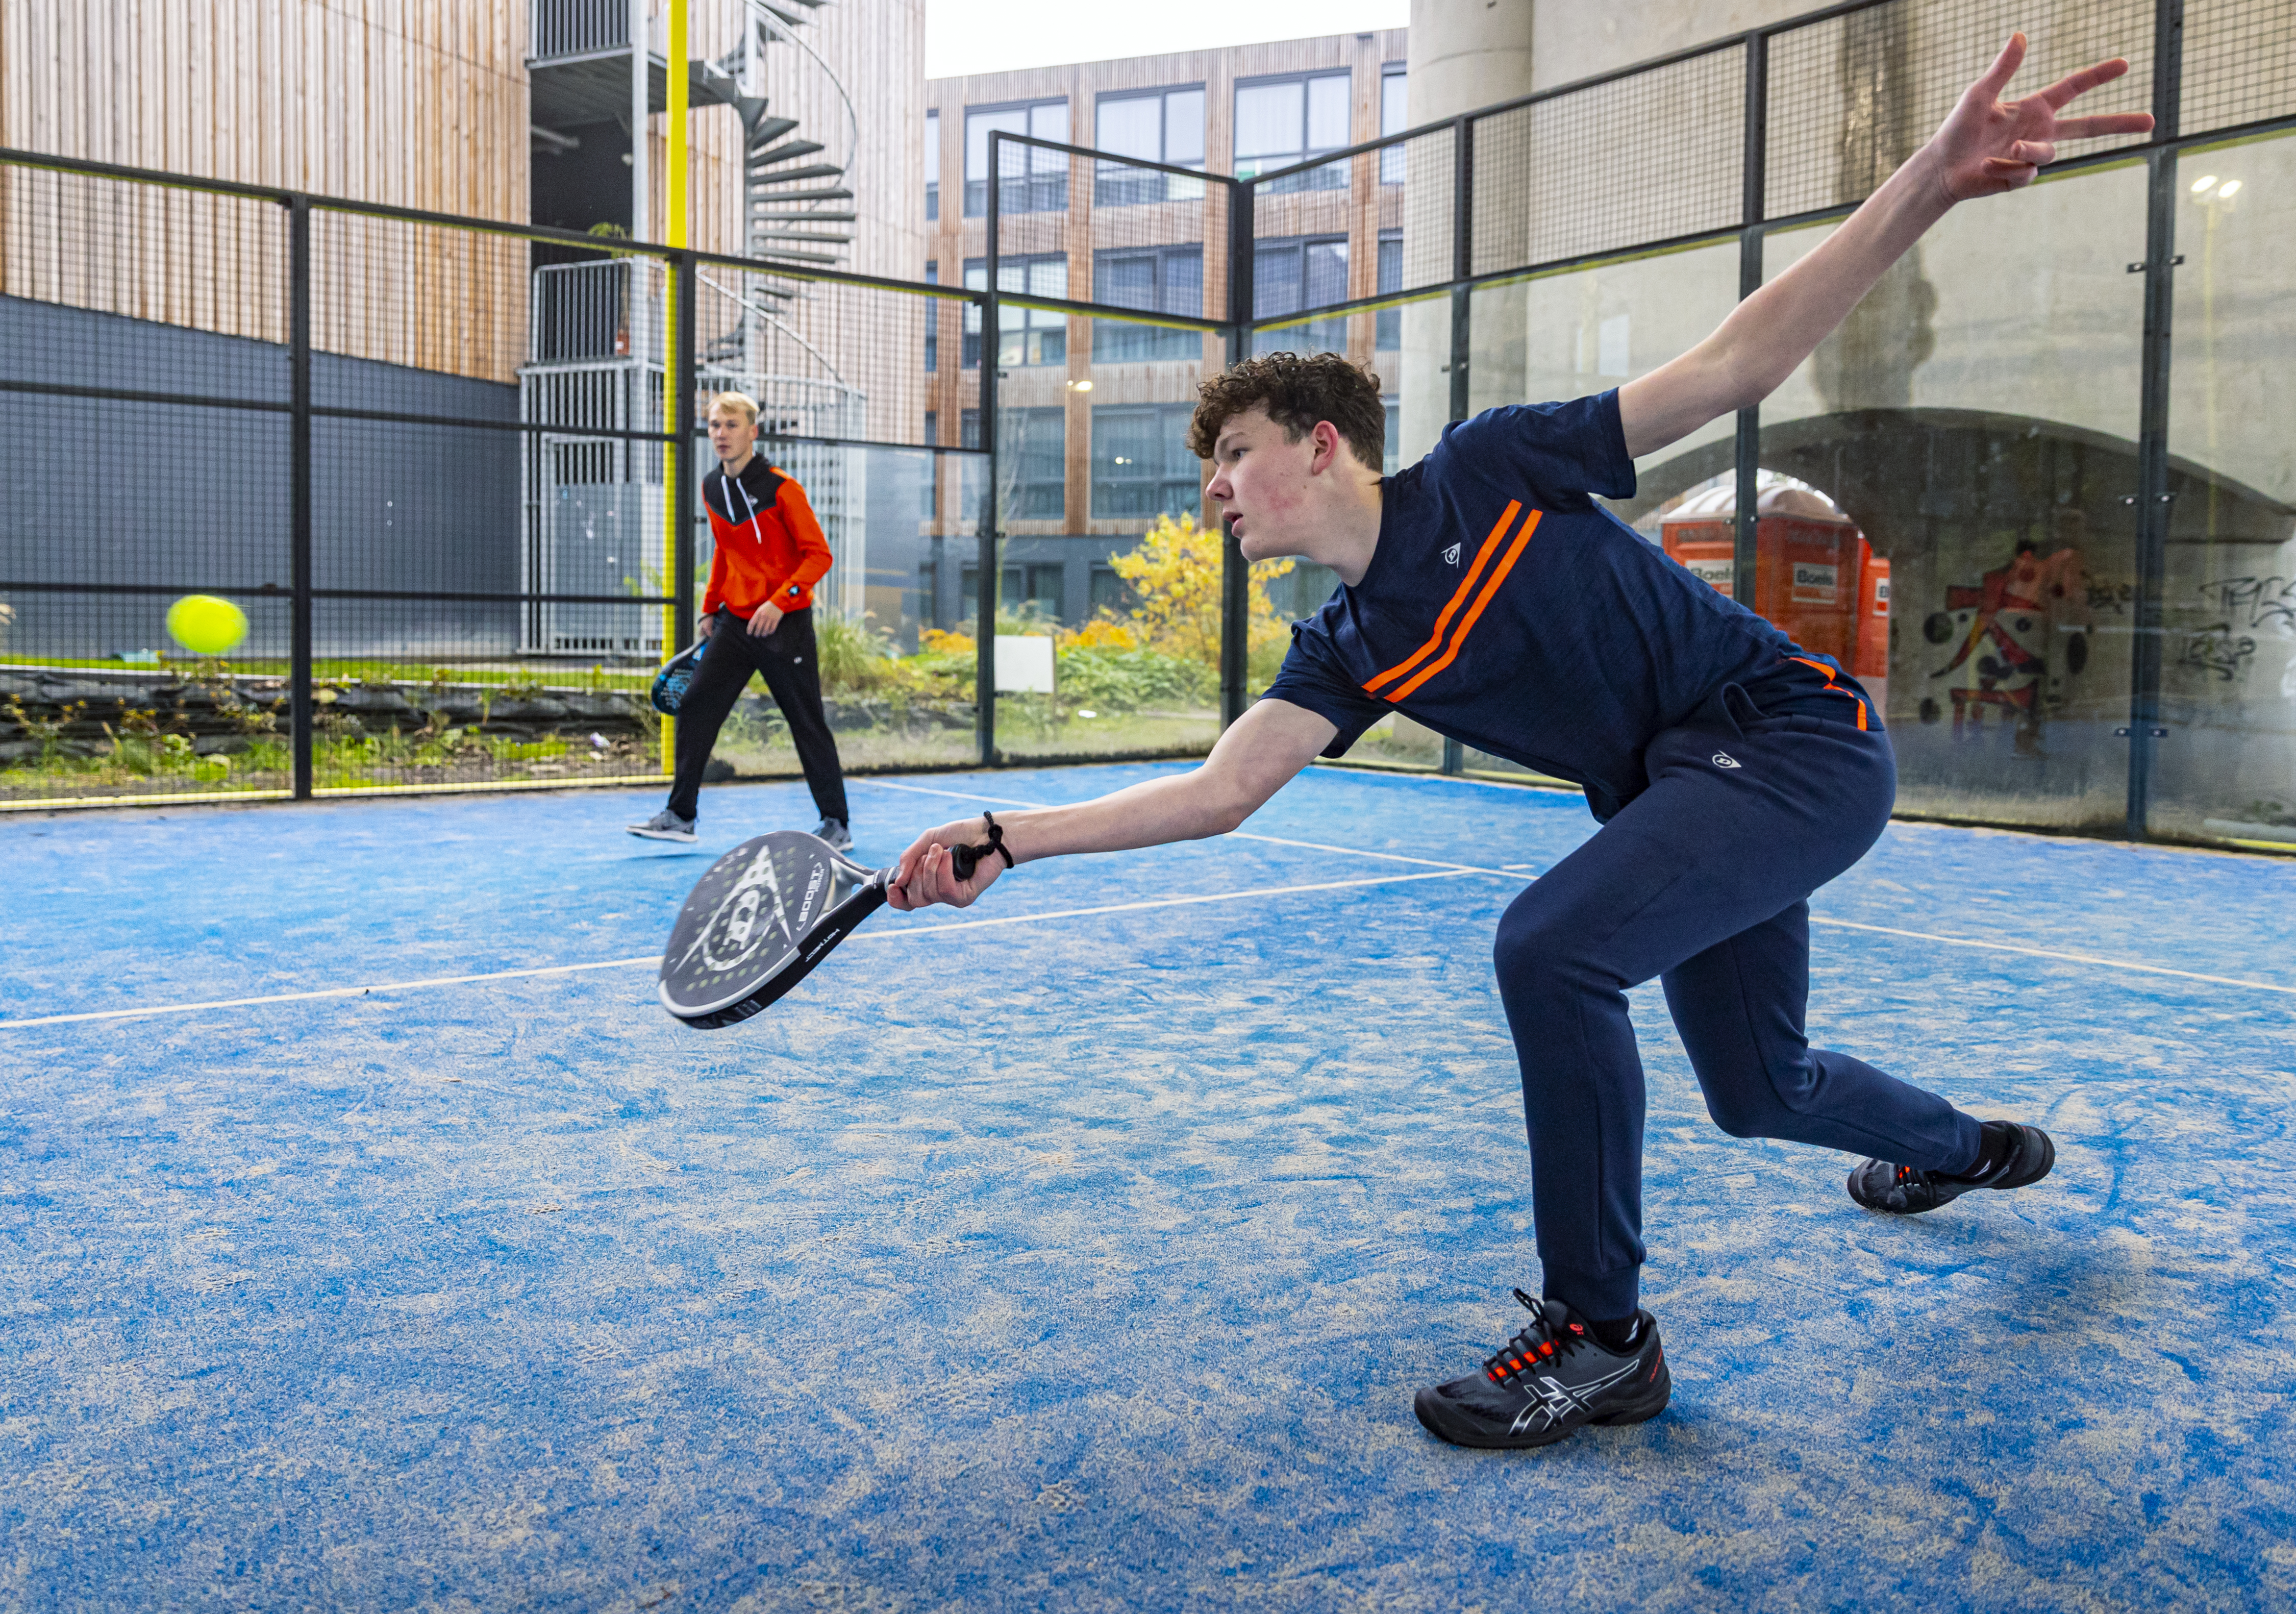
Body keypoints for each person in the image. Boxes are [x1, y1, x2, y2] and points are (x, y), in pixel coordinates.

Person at [885, 38, 2151, 1451]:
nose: (1212, 491)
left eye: (1230, 456)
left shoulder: (1490, 468)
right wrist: (1002, 838)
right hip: (1689, 790)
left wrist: (1928, 178)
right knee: (1759, 1088)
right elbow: (1222, 789)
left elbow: (1738, 359)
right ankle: (1966, 1151)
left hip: (1792, 744)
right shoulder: (1347, 645)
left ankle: (1601, 1335)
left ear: (1316, 445)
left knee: (1550, 948)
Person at [628, 391, 852, 850]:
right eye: (714, 425)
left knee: (805, 719)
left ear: (753, 431)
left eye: (731, 425)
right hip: (735, 622)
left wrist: (781, 601)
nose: (721, 434)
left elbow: (819, 556)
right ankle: (680, 815)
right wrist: (711, 607)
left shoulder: (782, 489)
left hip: (784, 625)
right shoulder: (713, 488)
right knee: (695, 705)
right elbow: (726, 552)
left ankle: (837, 822)